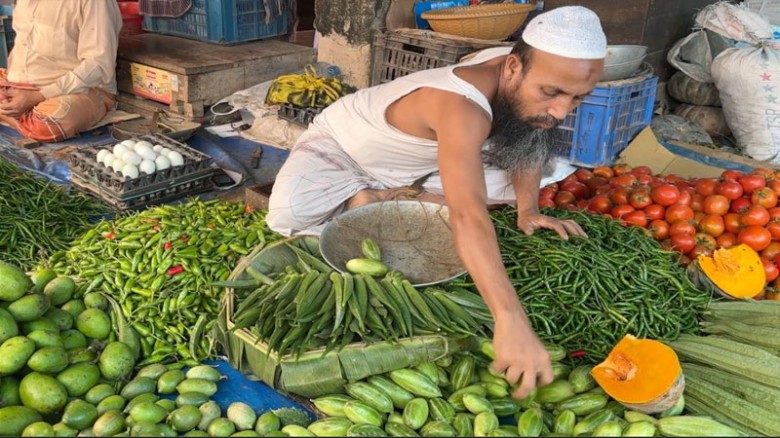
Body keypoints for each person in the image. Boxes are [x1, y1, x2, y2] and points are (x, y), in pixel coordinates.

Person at [268, 6, 607, 399]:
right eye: (551, 93)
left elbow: (529, 137)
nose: (562, 110)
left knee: (551, 168)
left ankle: (394, 197)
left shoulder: (517, 73)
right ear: (512, 68)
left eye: (578, 98)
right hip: (346, 151)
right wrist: (510, 318)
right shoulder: (461, 103)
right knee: (289, 213)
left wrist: (528, 209)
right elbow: (467, 214)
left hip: (422, 162)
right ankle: (370, 197)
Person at [0, 0, 122, 142]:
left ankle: (9, 116)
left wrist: (38, 96)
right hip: (20, 87)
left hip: (78, 91)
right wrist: (12, 87)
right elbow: (21, 48)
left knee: (50, 123)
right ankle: (18, 114)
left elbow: (98, 65)